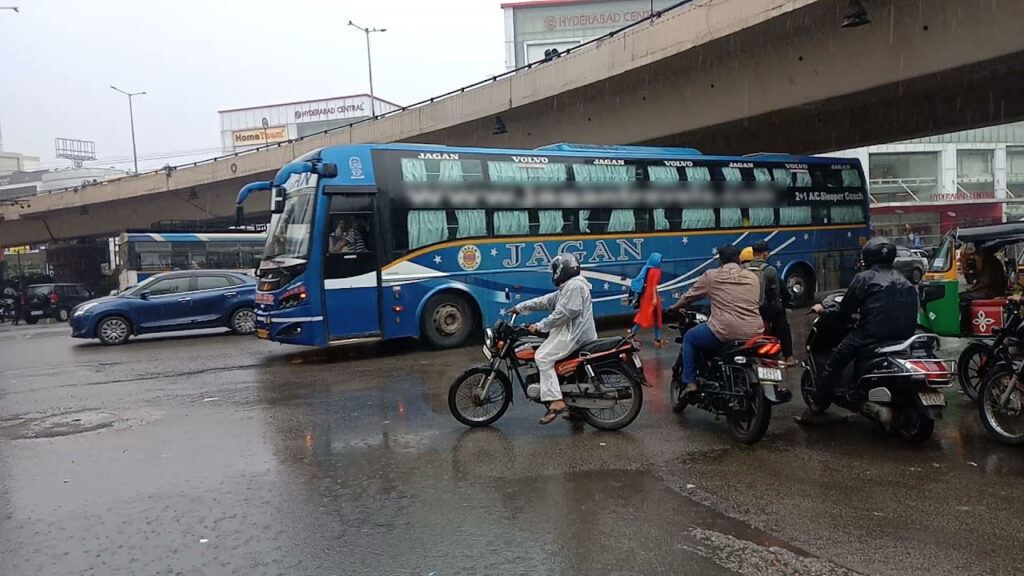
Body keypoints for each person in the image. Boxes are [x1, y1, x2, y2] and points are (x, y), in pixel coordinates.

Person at [797, 236, 918, 425]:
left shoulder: (864, 278)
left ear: (868, 256)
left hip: (870, 336)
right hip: (903, 338)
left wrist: (824, 310)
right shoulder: (905, 280)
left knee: (834, 362)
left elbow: (845, 310)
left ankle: (818, 406)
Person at [511, 253, 597, 425]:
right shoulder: (571, 286)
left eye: (555, 270)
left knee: (542, 357)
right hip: (573, 333)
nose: (554, 274)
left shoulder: (574, 287)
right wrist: (520, 308)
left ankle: (556, 401)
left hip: (575, 335)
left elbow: (563, 313)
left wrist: (541, 326)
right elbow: (547, 301)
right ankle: (576, 408)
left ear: (562, 270)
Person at [667, 245, 764, 397]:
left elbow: (689, 297)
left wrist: (674, 307)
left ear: (720, 260)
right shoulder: (753, 277)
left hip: (724, 330)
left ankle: (690, 382)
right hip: (754, 331)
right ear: (738, 259)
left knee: (690, 338)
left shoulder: (711, 276)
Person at [747, 241, 797, 366]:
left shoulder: (744, 269)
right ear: (765, 254)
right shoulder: (770, 270)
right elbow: (775, 296)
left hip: (747, 308)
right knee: (781, 316)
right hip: (764, 310)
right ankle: (788, 356)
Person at [959, 243, 1007, 334]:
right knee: (964, 295)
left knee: (963, 298)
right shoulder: (988, 260)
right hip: (991, 290)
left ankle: (966, 327)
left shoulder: (990, 261)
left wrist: (973, 290)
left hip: (992, 292)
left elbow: (985, 282)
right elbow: (977, 280)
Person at [628, 252, 665, 348]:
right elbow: (653, 286)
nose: (660, 262)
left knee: (644, 315)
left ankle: (632, 332)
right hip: (651, 297)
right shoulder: (656, 271)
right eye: (659, 260)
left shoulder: (647, 269)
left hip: (645, 295)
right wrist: (654, 298)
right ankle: (658, 339)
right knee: (657, 317)